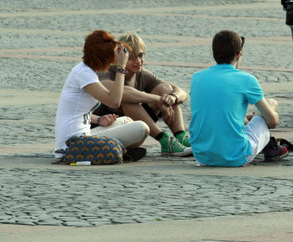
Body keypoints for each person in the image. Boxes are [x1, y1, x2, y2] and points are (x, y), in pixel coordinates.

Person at [189, 30, 285, 166]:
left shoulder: (197, 78)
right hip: (235, 155)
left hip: (202, 156)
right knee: (271, 103)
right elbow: (272, 121)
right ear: (239, 54)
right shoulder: (246, 79)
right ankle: (269, 146)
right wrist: (260, 115)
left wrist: (244, 119)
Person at [54, 30, 149, 161]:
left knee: (126, 121)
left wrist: (99, 120)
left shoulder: (84, 70)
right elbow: (114, 102)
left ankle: (120, 152)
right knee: (141, 128)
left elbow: (76, 112)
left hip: (83, 135)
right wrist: (121, 68)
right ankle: (121, 152)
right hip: (73, 144)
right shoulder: (84, 74)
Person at [94, 32, 191, 156]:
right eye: (131, 57)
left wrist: (171, 98)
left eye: (140, 56)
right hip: (101, 128)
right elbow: (123, 93)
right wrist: (158, 99)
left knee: (165, 89)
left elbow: (181, 93)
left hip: (132, 125)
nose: (138, 61)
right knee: (127, 100)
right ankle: (165, 140)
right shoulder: (105, 72)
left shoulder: (141, 73)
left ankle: (181, 136)